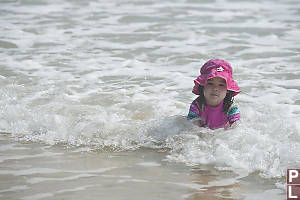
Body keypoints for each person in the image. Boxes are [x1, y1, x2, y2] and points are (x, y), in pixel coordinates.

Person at [187, 59, 241, 129]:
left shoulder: (231, 108)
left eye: (221, 85)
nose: (215, 88)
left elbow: (235, 130)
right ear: (202, 86)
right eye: (210, 83)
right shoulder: (197, 105)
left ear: (228, 89)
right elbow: (193, 129)